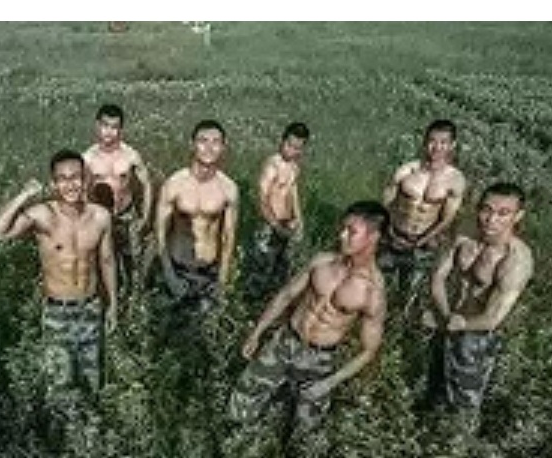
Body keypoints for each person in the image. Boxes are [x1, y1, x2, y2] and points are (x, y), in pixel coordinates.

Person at [231, 201, 389, 430]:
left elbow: (369, 351)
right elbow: (286, 295)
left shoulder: (372, 292)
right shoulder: (322, 262)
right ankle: (234, 442)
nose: (342, 235)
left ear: (373, 237)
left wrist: (329, 383)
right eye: (342, 228)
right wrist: (257, 333)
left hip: (319, 361)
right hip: (285, 341)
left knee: (305, 431)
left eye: (351, 232)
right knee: (242, 404)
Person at [0, 149, 116, 406]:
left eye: (76, 177)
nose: (70, 185)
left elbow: (107, 260)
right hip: (57, 313)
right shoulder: (43, 215)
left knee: (92, 383)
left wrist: (113, 304)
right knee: (59, 387)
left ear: (85, 178)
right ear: (54, 183)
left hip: (90, 308)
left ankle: (89, 427)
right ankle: (63, 429)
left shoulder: (100, 216)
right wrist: (24, 195)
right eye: (62, 179)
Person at [424, 182, 534, 417]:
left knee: (464, 404)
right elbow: (437, 277)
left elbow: (493, 318)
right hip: (446, 318)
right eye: (486, 209)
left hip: (477, 337)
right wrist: (445, 316)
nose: (491, 220)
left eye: (503, 213)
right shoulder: (464, 236)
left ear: (517, 216)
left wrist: (459, 324)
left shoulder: (516, 259)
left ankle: (460, 437)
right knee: (433, 389)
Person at [154, 119, 239, 312]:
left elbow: (228, 237)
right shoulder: (174, 185)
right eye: (203, 141)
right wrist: (169, 276)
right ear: (192, 144)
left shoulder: (228, 189)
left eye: (216, 142)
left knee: (207, 327)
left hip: (209, 273)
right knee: (168, 326)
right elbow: (159, 233)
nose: (209, 148)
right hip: (177, 268)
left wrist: (222, 281)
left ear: (223, 147)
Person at [380, 119, 467, 300]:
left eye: (443, 142)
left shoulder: (455, 180)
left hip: (424, 243)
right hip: (394, 235)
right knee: (378, 283)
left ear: (452, 145)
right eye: (432, 141)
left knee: (409, 293)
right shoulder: (407, 170)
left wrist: (423, 240)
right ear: (425, 142)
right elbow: (387, 200)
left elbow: (447, 218)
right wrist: (389, 230)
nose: (437, 147)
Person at [83, 104, 154, 292]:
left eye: (114, 127)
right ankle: (110, 298)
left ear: (121, 129)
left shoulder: (130, 155)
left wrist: (145, 217)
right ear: (97, 126)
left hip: (127, 216)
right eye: (105, 125)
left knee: (134, 262)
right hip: (101, 218)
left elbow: (147, 184)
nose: (109, 132)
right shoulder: (88, 158)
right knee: (104, 261)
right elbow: (82, 192)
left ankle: (135, 298)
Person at [246, 122, 310, 301]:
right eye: (289, 145)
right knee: (261, 266)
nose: (292, 151)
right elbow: (262, 199)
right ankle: (251, 302)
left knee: (282, 268)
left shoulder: (294, 167)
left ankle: (273, 302)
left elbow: (293, 192)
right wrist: (274, 225)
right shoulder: (272, 165)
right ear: (282, 141)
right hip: (269, 224)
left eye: (297, 148)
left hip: (286, 223)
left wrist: (299, 219)